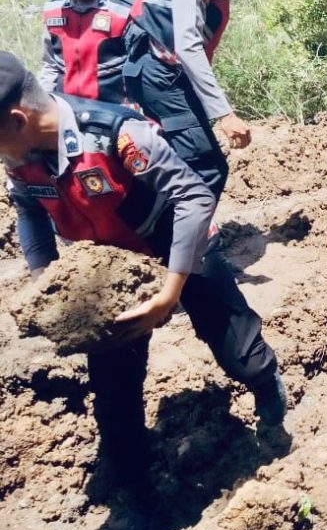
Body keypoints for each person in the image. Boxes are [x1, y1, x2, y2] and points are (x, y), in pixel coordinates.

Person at [0, 52, 287, 488]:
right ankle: (136, 491)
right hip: (106, 270)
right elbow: (29, 213)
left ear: (18, 120)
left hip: (174, 237)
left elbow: (193, 197)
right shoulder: (20, 158)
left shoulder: (115, 132)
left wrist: (170, 293)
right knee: (114, 398)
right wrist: (46, 282)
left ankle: (268, 390)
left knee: (238, 350)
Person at [123, 0, 278, 198]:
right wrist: (225, 114)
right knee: (206, 169)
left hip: (167, 76)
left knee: (183, 164)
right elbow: (188, 44)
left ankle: (174, 238)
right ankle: (186, 243)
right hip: (159, 75)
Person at [39, 0, 133, 105]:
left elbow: (136, 69)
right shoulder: (53, 10)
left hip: (113, 112)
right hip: (66, 109)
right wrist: (43, 105)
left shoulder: (122, 12)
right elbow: (49, 65)